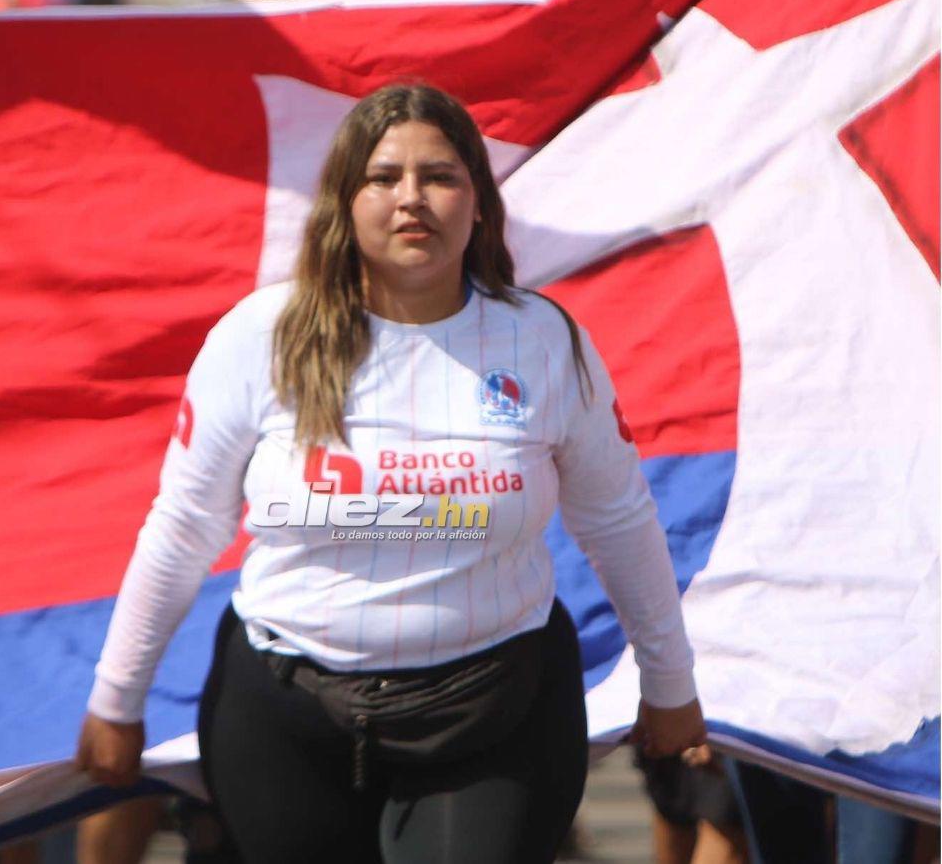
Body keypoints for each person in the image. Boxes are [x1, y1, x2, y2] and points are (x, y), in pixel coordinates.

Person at [76, 83, 706, 863]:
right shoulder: (258, 338)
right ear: (345, 200)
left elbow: (618, 521)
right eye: (384, 177)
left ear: (478, 202)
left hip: (497, 717)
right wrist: (117, 697)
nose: (413, 198)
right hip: (283, 720)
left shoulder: (544, 342)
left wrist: (670, 682)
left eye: (440, 176)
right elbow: (183, 526)